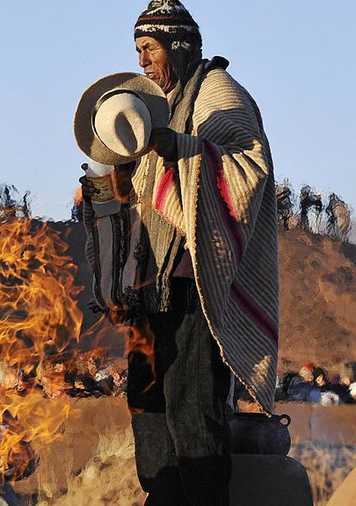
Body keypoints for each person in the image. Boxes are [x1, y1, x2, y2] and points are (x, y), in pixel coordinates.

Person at [81, 1, 279, 504]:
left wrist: (181, 149)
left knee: (193, 413)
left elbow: (244, 171)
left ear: (180, 46)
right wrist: (104, 190)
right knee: (147, 412)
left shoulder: (219, 94)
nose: (143, 60)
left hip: (194, 288)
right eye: (138, 51)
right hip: (149, 290)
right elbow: (137, 190)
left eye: (150, 49)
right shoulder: (150, 105)